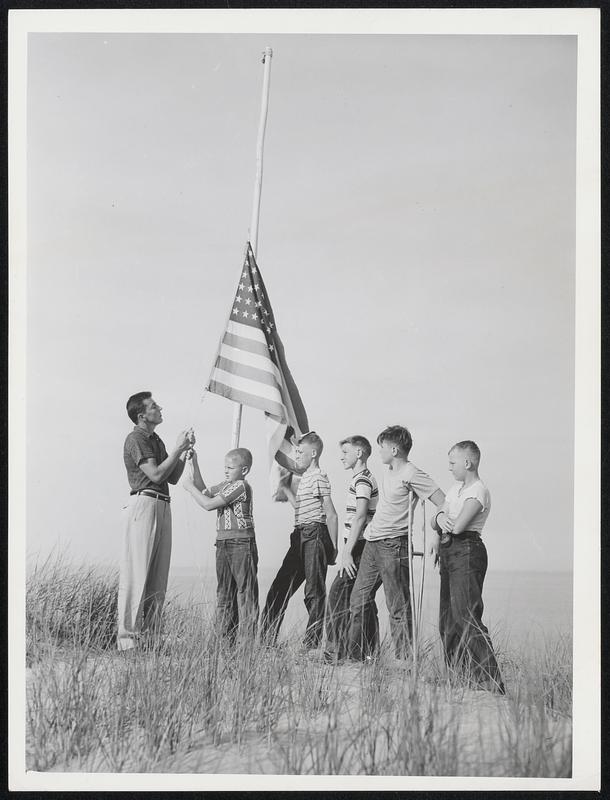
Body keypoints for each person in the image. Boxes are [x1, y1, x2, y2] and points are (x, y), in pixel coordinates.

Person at [347, 425, 445, 662]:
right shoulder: (388, 471)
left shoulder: (412, 473)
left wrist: (436, 533)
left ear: (394, 448)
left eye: (382, 447)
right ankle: (360, 656)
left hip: (394, 544)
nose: (379, 451)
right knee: (358, 601)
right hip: (373, 541)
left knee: (398, 606)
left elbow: (442, 501)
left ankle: (404, 661)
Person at [117, 392, 192, 652]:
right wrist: (178, 448)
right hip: (145, 503)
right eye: (153, 406)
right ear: (142, 415)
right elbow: (157, 474)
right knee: (137, 573)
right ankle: (128, 642)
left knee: (157, 576)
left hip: (161, 503)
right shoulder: (136, 438)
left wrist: (184, 453)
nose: (159, 408)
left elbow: (171, 478)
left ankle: (150, 639)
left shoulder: (155, 439)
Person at [432, 440, 505, 694]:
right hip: (449, 551)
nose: (449, 467)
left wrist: (441, 519)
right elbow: (438, 518)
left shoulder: (478, 490)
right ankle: (458, 678)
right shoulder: (455, 489)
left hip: (467, 550)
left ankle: (490, 680)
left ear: (467, 462)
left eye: (453, 462)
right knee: (447, 620)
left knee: (466, 616)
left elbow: (458, 525)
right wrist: (440, 519)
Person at [260, 432, 338, 652]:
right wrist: (285, 488)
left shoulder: (320, 476)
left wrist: (333, 548)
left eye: (300, 452)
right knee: (279, 588)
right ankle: (265, 640)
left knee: (314, 592)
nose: (297, 456)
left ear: (313, 454)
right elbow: (301, 508)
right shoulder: (304, 479)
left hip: (315, 535)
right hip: (300, 535)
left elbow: (331, 514)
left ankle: (311, 646)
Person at [183, 448, 259, 644]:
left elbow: (208, 504)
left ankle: (246, 643)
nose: (226, 471)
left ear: (244, 470)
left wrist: (188, 487)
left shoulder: (241, 486)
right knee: (224, 593)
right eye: (225, 467)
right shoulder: (226, 485)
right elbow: (204, 491)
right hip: (223, 542)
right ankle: (224, 641)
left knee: (245, 593)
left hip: (241, 543)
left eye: (231, 468)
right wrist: (195, 463)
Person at [324, 436, 379, 664]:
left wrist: (347, 551)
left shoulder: (363, 481)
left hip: (357, 545)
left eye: (345, 452)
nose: (341, 456)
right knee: (362, 600)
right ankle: (366, 653)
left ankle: (335, 652)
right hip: (357, 544)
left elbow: (360, 517)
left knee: (338, 595)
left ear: (359, 453)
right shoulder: (360, 479)